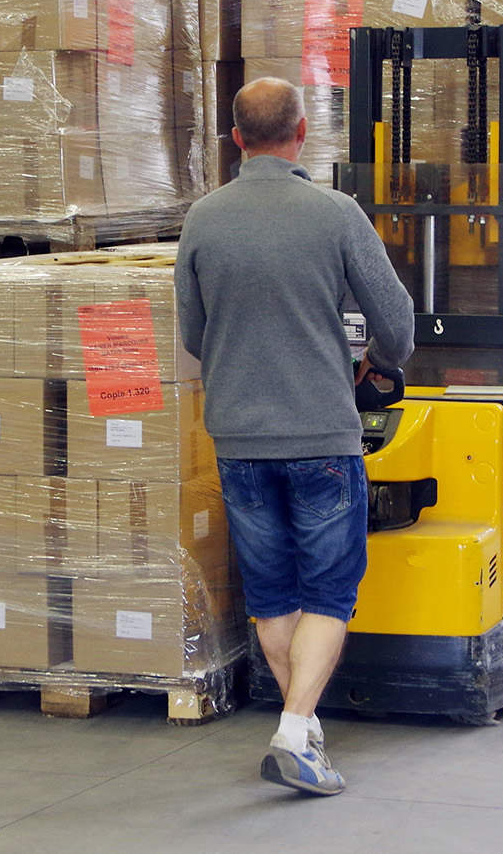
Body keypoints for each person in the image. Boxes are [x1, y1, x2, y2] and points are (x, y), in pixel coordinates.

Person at [175, 77, 415, 796]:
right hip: (321, 438)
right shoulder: (336, 214)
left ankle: (301, 730)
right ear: (302, 133)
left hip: (240, 439)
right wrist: (371, 358)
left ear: (237, 139)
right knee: (331, 595)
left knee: (273, 595)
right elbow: (397, 331)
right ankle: (292, 734)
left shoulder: (202, 220)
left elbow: (194, 335)